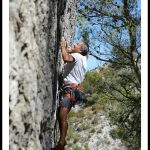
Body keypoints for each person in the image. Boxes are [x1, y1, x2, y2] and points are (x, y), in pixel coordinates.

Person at [54, 37, 89, 150]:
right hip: (73, 90)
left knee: (62, 116)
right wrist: (71, 50)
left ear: (80, 50)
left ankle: (61, 143)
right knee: (63, 117)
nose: (74, 44)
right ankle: (62, 142)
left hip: (70, 90)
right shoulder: (84, 58)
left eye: (77, 44)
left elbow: (65, 58)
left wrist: (63, 46)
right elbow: (75, 54)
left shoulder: (78, 56)